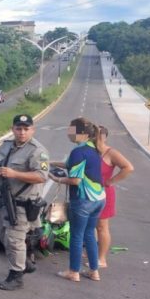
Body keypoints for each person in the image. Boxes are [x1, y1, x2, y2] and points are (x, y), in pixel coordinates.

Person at [0, 114, 49, 291]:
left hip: (22, 204)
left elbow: (41, 176)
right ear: (13, 129)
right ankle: (24, 262)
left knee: (14, 239)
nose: (22, 132)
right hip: (4, 200)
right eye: (18, 128)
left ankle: (16, 275)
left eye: (26, 129)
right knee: (1, 231)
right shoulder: (6, 145)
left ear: (32, 130)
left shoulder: (37, 151)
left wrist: (15, 174)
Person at [49, 117, 106, 282]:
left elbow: (75, 180)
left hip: (83, 200)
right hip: (99, 199)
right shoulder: (93, 148)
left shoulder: (78, 152)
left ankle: (73, 271)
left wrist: (56, 179)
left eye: (70, 129)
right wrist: (50, 162)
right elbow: (70, 165)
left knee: (76, 235)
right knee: (89, 234)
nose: (68, 132)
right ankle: (94, 271)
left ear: (81, 133)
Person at [95, 126, 134, 268]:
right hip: (90, 193)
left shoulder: (111, 153)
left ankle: (102, 259)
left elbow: (128, 167)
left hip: (104, 194)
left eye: (99, 135)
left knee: (102, 226)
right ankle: (93, 252)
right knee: (91, 225)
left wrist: (111, 181)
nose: (96, 138)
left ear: (105, 137)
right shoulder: (91, 151)